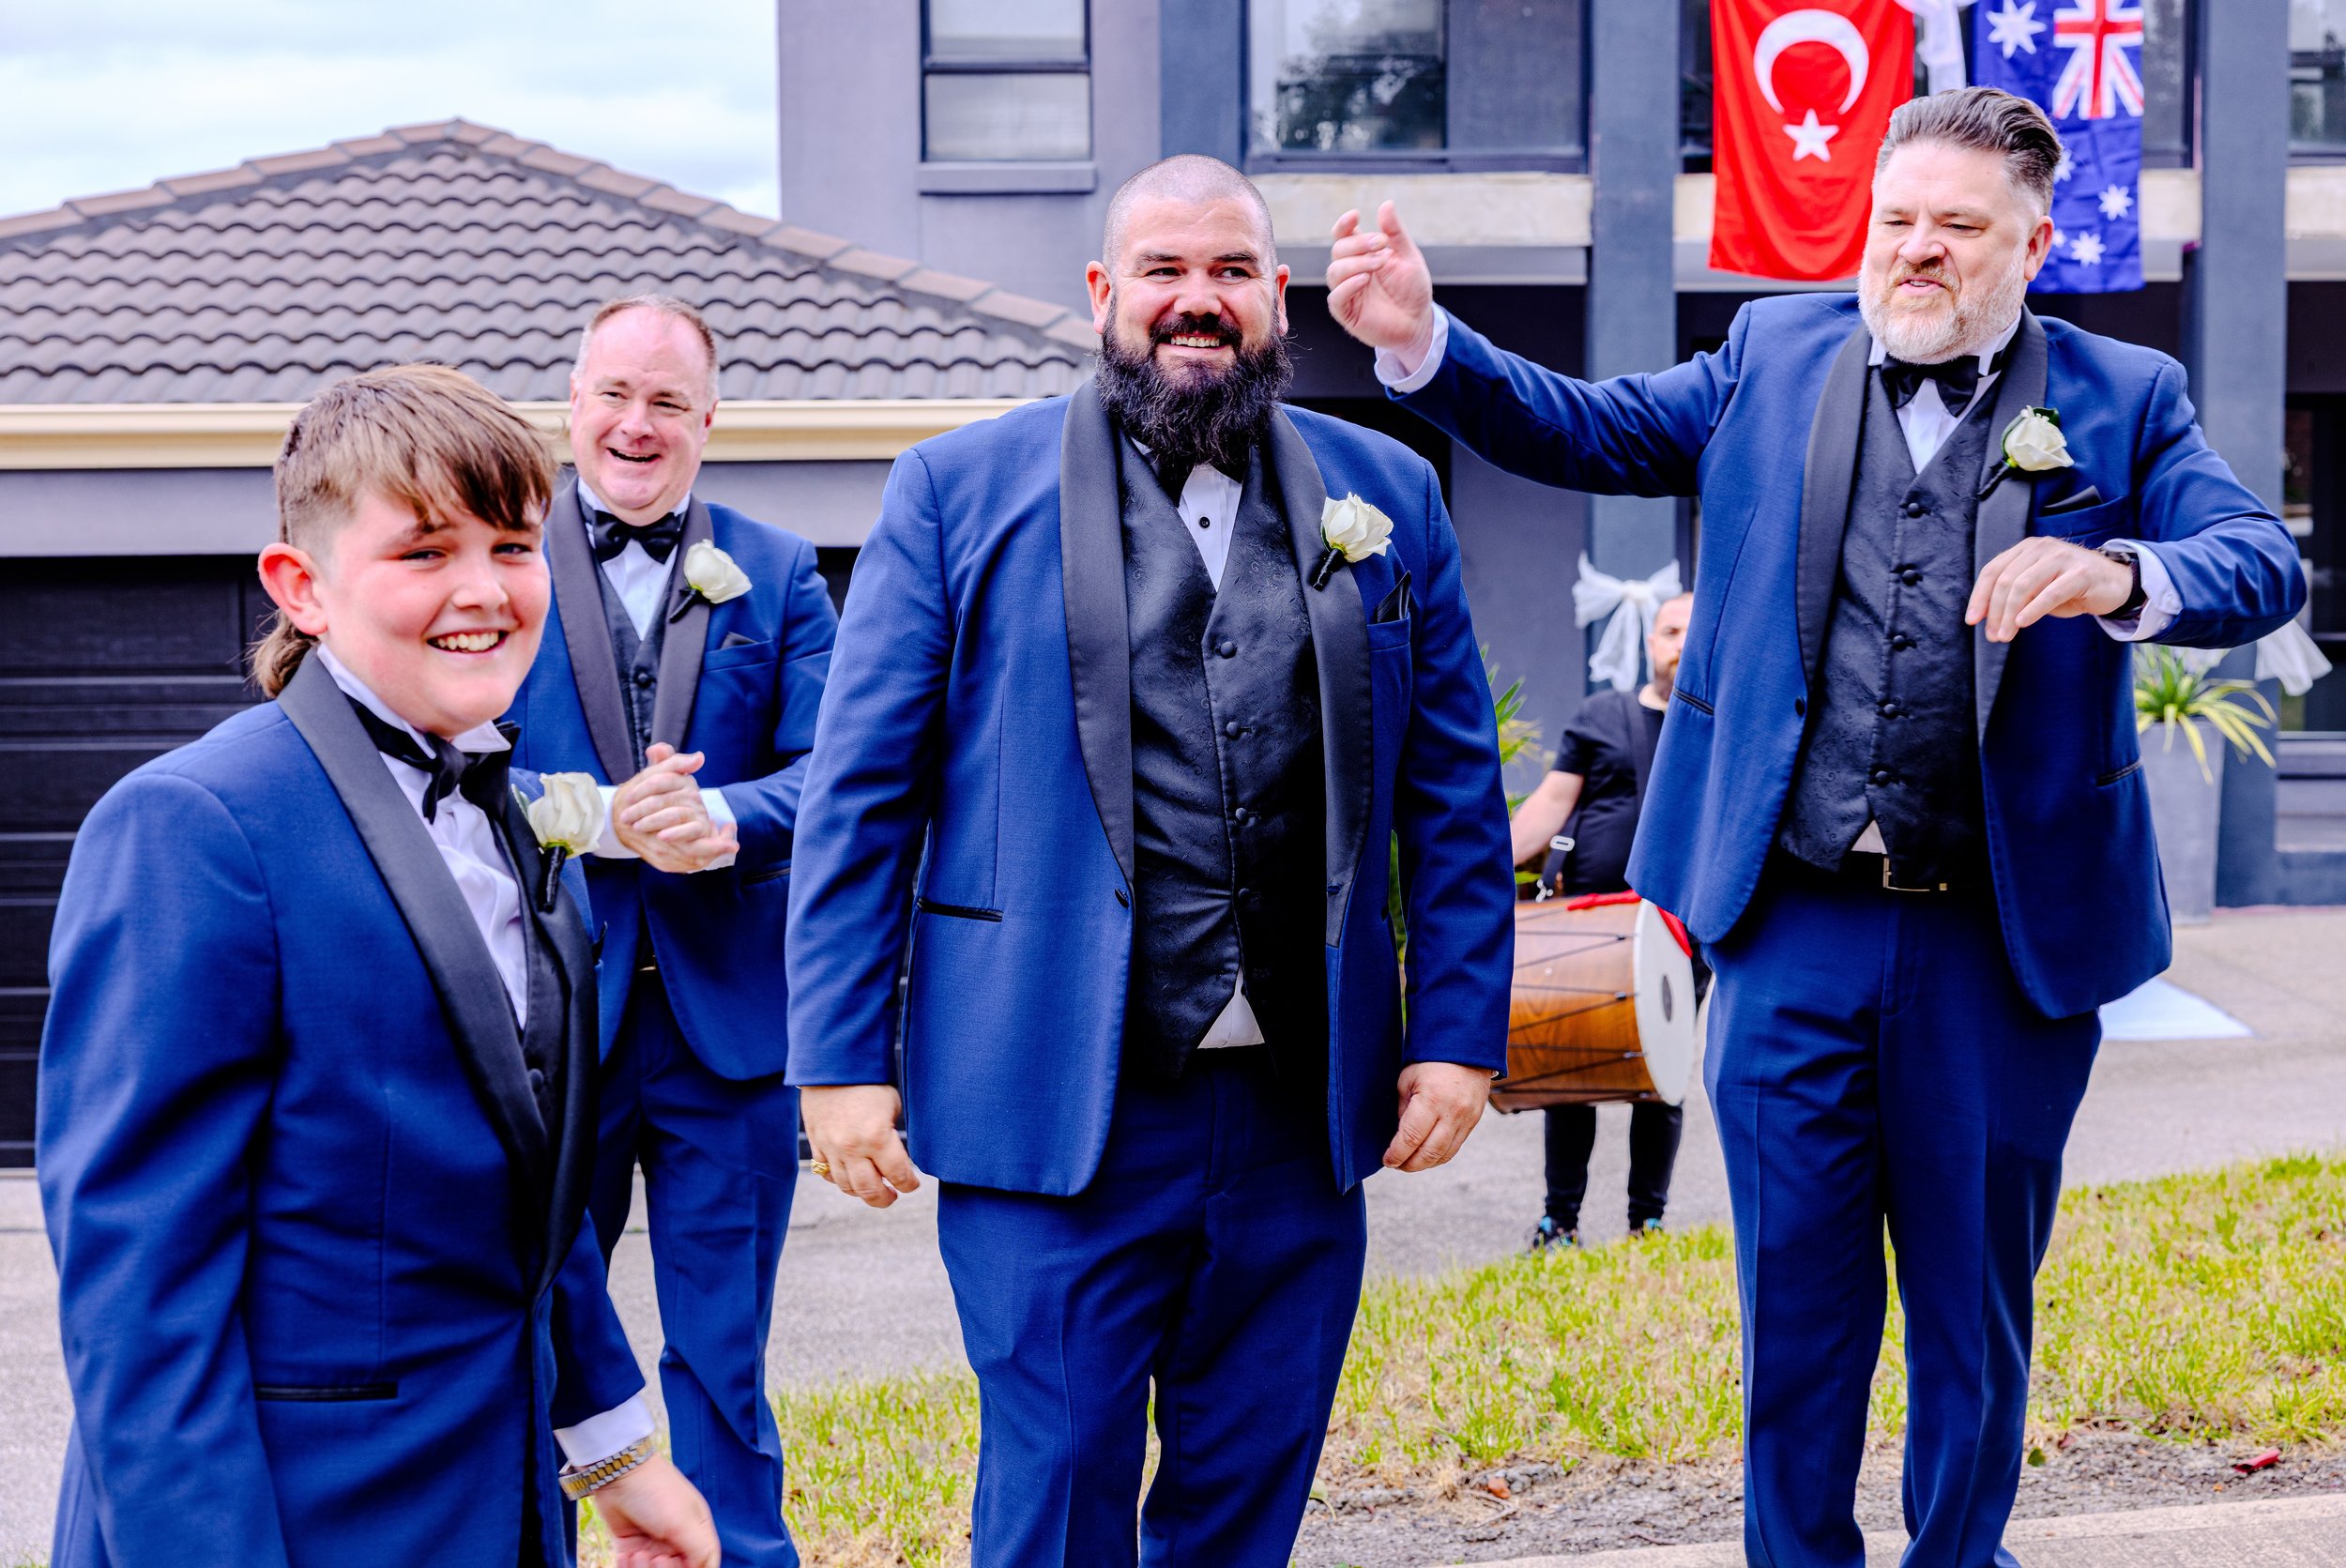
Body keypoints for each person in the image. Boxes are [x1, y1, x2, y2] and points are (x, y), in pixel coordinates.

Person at [1326, 87, 2304, 1566]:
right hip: (1789, 929)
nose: (1916, 250)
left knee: (1973, 1305)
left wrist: (2118, 579)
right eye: (1897, 219)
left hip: (2002, 936)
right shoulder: (1771, 353)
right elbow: (1585, 429)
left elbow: (2260, 560)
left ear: (2032, 243)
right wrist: (1419, 338)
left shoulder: (2124, 392)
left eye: (1957, 228)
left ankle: (1959, 1553)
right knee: (1796, 1297)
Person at [783, 155, 1514, 1567]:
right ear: (1106, 295)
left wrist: (1460, 1032)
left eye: (1232, 271)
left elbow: (1455, 793)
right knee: (1055, 1495)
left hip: (1303, 1112)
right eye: (1166, 273)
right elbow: (861, 797)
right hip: (1054, 1102)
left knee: (1252, 1484)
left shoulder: (1391, 493)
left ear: (1277, 298)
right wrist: (839, 1058)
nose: (1200, 301)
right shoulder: (953, 488)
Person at [38, 365, 717, 1568]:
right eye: (423, 553)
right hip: (294, 1519)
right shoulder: (196, 828)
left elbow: (529, 1203)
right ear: (301, 587)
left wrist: (617, 1454)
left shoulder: (512, 814)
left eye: (513, 547)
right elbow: (141, 1293)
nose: (483, 591)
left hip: (496, 1504)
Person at [506, 295, 838, 1567]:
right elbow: (445, 757)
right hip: (549, 1026)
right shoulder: (500, 553)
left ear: (709, 419)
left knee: (721, 1351)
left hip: (728, 1037)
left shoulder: (784, 567)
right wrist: (602, 820)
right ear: (574, 402)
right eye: (613, 394)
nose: (635, 423)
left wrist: (720, 814)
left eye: (666, 401)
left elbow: (836, 774)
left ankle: (736, 1555)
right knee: (527, 1326)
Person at [1510, 590, 1695, 1250]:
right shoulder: (1601, 715)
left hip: (1676, 932)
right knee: (1569, 1073)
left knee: (1661, 1077)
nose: (1680, 642)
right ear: (1651, 641)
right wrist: (1471, 882)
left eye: (1693, 632)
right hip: (1585, 926)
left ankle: (1648, 1221)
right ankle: (1560, 1220)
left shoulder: (1716, 726)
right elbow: (1549, 806)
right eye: (1670, 629)